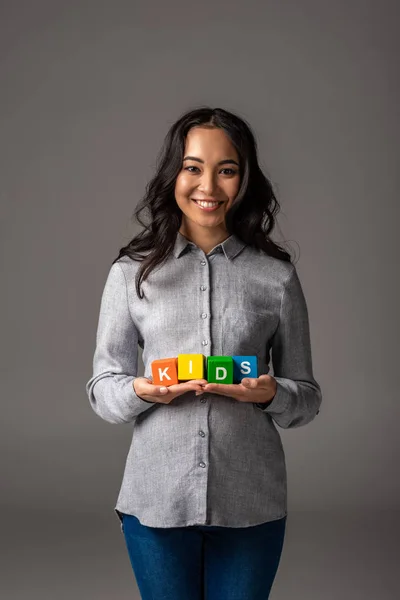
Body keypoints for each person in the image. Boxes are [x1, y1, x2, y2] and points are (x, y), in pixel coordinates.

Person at [85, 106, 322, 600]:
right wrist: (142, 390)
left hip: (251, 501)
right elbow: (102, 390)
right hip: (155, 500)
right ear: (174, 173)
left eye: (226, 170)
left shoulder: (275, 277)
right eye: (193, 167)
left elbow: (307, 397)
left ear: (245, 179)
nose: (208, 186)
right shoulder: (130, 275)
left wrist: (270, 392)